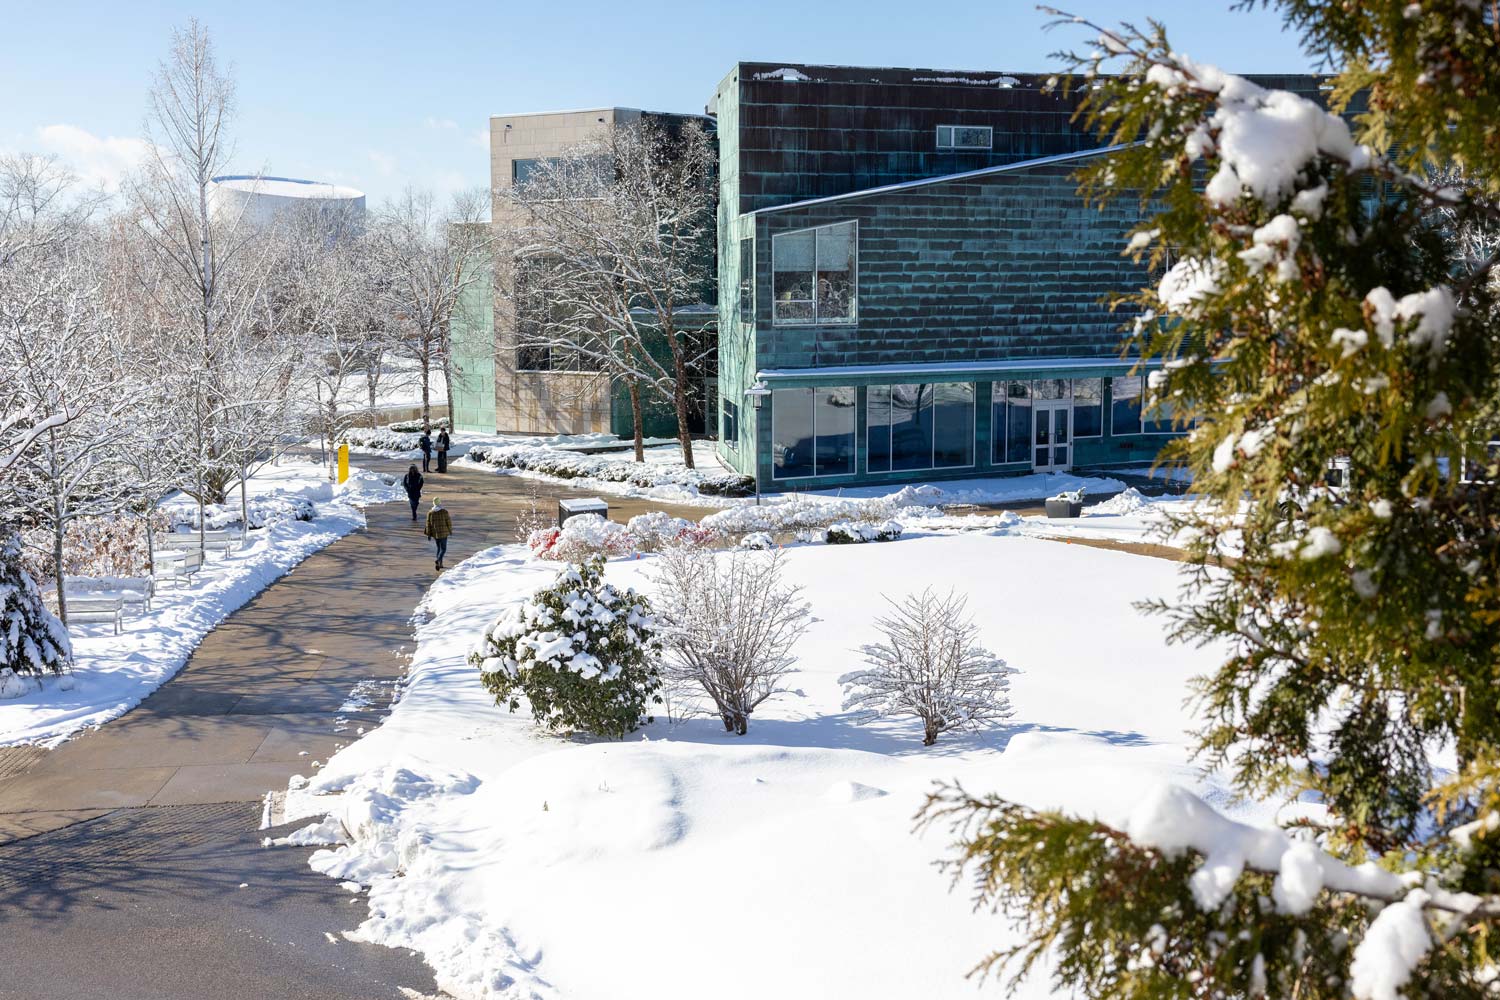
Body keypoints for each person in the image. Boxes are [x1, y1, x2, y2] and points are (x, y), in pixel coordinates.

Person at [424, 498, 452, 571]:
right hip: (444, 533)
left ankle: (440, 564)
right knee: (443, 549)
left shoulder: (430, 513)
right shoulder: (444, 512)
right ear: (440, 503)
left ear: (433, 503)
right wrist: (450, 530)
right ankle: (438, 560)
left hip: (435, 534)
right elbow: (448, 522)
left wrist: (429, 534)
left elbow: (428, 524)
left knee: (438, 548)